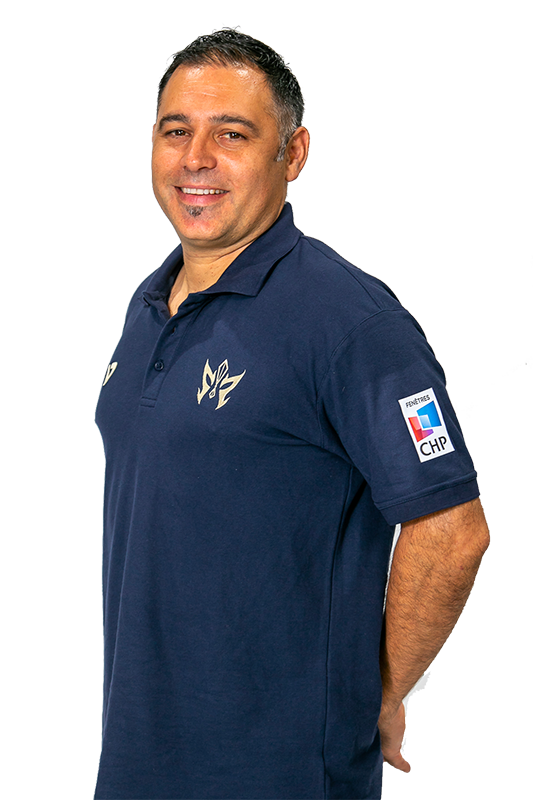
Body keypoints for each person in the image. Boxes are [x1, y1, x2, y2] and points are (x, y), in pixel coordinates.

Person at [94, 29, 490, 800]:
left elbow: (452, 529)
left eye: (231, 135)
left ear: (293, 153)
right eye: (175, 131)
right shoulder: (150, 304)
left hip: (280, 774)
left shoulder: (350, 323)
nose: (195, 158)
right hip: (141, 762)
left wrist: (374, 693)